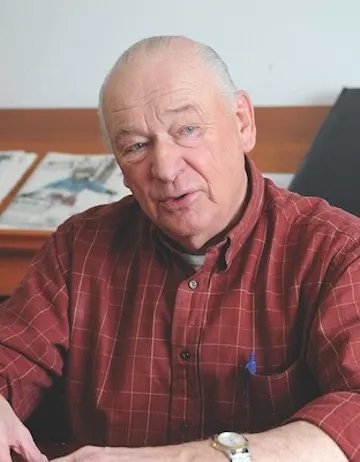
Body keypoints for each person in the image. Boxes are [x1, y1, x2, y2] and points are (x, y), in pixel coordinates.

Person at [0, 35, 358, 462]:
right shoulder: (77, 249)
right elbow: (11, 357)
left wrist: (191, 458)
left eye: (187, 130)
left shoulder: (335, 251)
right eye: (136, 146)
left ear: (243, 122)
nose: (166, 169)